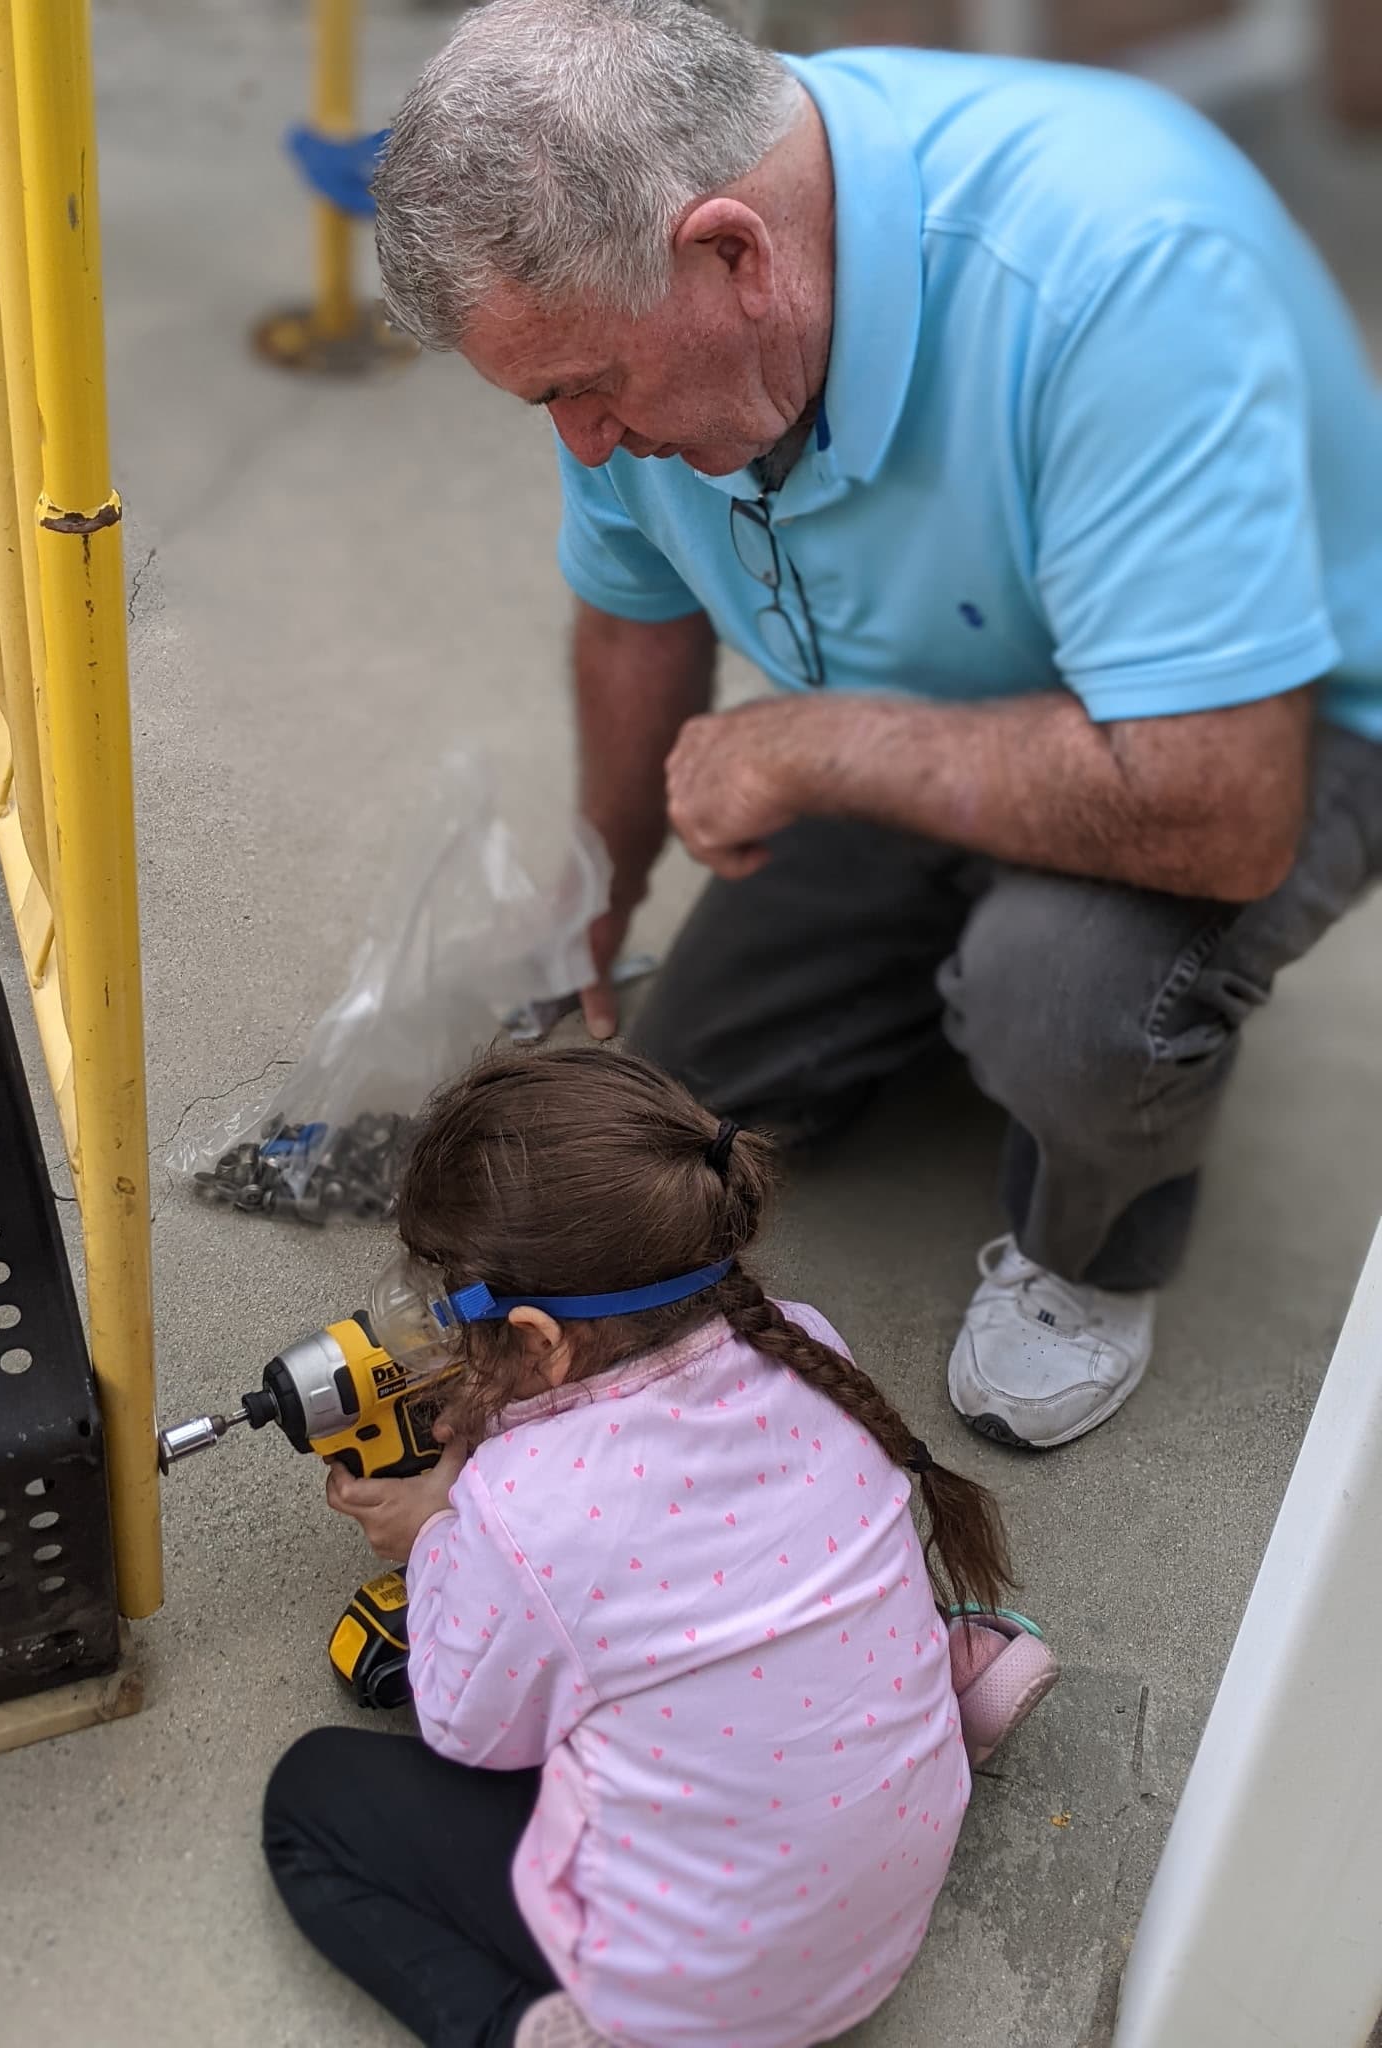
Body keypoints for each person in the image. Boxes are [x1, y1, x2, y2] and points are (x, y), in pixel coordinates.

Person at [370, 0, 1382, 1451]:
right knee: (685, 1096)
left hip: (1275, 723)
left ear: (735, 254)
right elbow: (633, 608)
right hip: (934, 689)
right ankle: (973, 968)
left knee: (1061, 998)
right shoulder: (644, 284)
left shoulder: (1124, 271)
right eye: (544, 400)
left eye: (586, 389)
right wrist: (601, 888)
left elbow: (1220, 807)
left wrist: (813, 748)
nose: (579, 441)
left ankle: (1097, 1242)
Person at [263, 1047, 1057, 2048]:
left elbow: (468, 1730)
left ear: (540, 1341)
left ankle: (528, 2029)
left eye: (443, 1307)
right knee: (779, 1584)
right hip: (882, 1900)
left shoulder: (525, 1514)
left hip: (715, 1991)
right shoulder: (805, 1342)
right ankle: (948, 1676)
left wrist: (433, 1534)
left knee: (313, 1799)